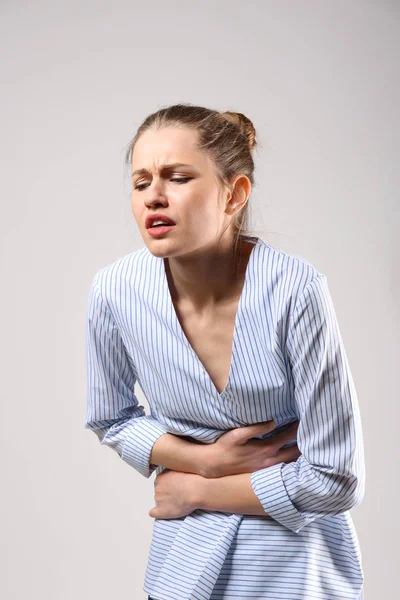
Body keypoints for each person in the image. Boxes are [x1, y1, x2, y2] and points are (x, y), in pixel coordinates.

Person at [84, 103, 365, 600]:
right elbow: (112, 418)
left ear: (234, 194)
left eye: (177, 177)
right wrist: (207, 460)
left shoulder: (293, 290)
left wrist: (198, 489)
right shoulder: (115, 291)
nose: (154, 197)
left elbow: (336, 479)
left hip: (295, 574)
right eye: (141, 181)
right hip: (180, 572)